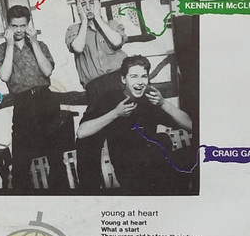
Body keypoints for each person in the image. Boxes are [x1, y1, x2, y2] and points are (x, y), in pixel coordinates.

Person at [77, 55, 192, 193]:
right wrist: (115, 113)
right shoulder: (110, 99)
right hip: (131, 173)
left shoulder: (150, 99)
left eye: (144, 76)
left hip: (157, 165)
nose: (140, 82)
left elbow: (190, 125)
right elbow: (81, 132)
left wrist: (164, 104)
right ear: (123, 79)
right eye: (134, 76)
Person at [0, 5, 67, 190]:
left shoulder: (40, 45)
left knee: (56, 159)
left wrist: (34, 43)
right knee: (21, 163)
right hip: (23, 104)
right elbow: (4, 75)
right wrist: (10, 45)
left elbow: (47, 71)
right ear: (8, 25)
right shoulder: (1, 49)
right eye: (15, 26)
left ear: (29, 24)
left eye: (23, 25)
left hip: (46, 101)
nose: (19, 30)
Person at [65, 0, 127, 189]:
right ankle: (91, 192)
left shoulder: (113, 24)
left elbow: (117, 42)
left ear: (99, 3)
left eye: (92, 2)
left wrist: (98, 18)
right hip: (96, 93)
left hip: (119, 87)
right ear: (77, 7)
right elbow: (77, 47)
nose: (88, 7)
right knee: (86, 142)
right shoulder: (74, 30)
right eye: (83, 4)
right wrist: (85, 20)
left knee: (123, 144)